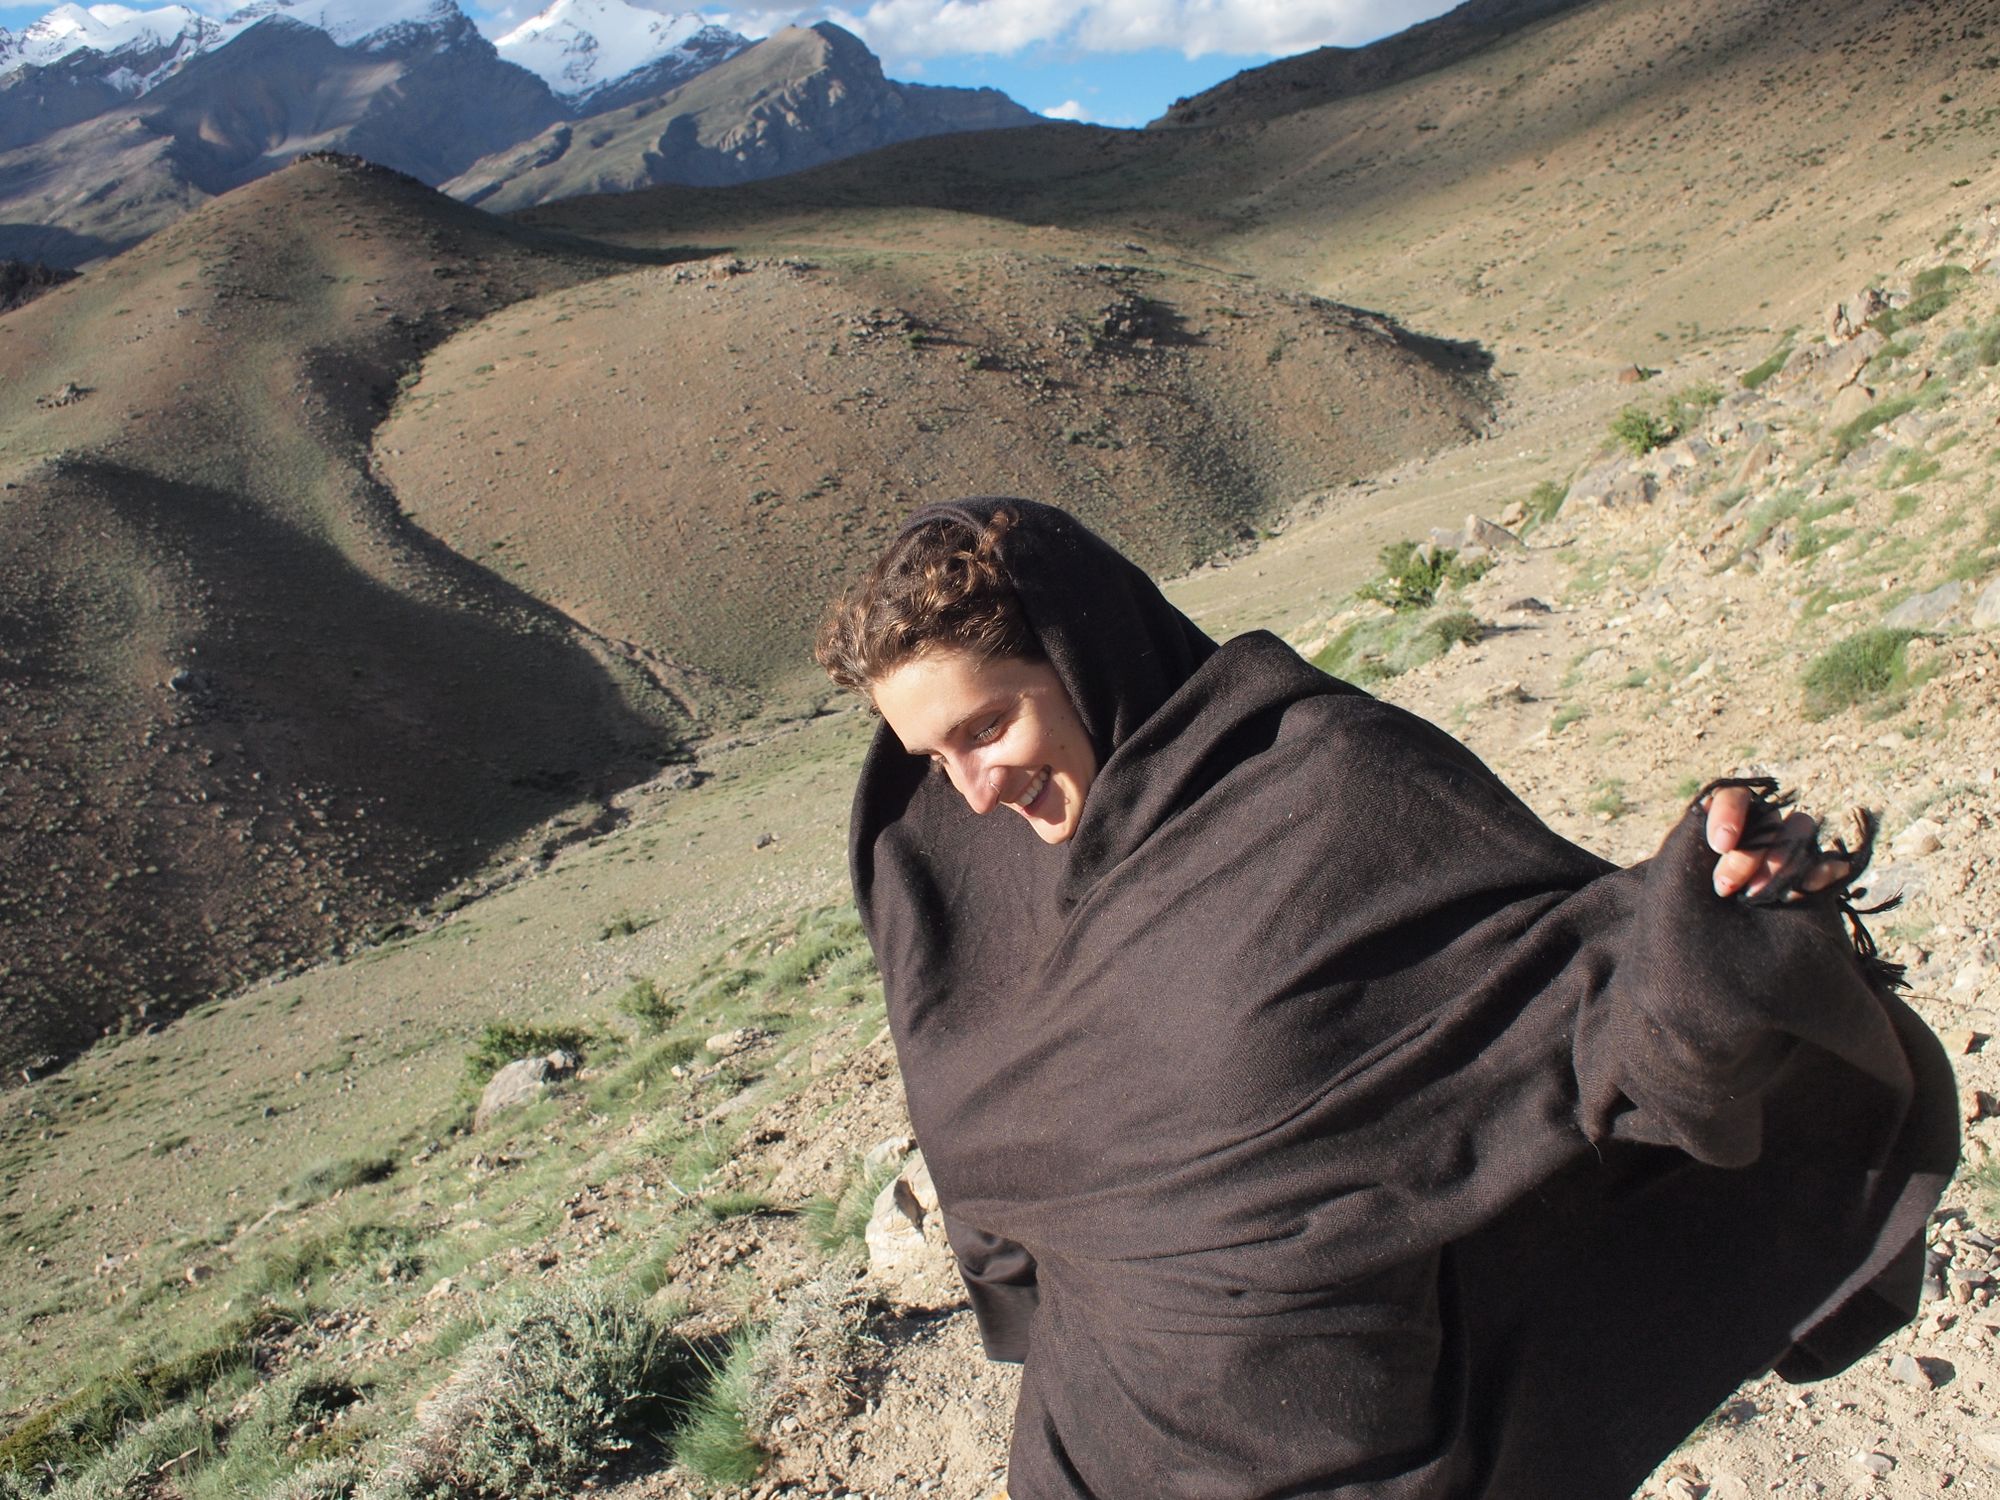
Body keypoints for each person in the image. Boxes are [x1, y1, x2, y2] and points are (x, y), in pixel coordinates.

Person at [815, 498, 1958, 1499]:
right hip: (1092, 1449)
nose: (971, 789)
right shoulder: (971, 898)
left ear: (1084, 658)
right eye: (933, 755)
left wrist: (1718, 920)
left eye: (988, 725)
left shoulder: (1329, 792)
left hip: (1352, 1453)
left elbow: (1578, 1015)